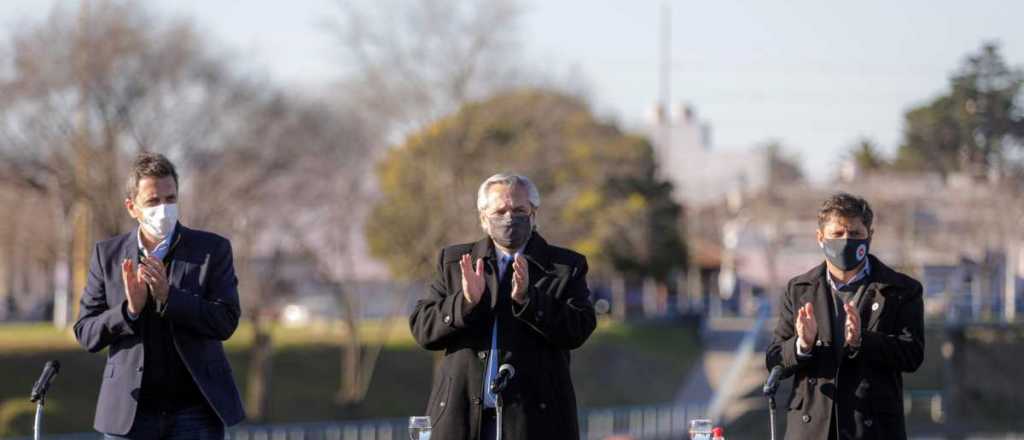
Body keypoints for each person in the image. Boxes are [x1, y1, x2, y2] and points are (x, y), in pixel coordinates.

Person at [410, 173, 597, 440]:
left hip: (537, 423)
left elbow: (579, 329)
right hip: (462, 420)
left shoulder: (565, 267)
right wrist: (465, 303)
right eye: (500, 210)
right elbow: (423, 330)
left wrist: (528, 300)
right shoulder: (454, 263)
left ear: (533, 214)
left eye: (519, 210)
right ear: (484, 218)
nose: (509, 217)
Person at [74, 152, 245, 439]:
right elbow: (86, 332)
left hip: (196, 411)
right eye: (153, 201)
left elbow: (226, 321)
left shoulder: (211, 250)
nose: (164, 209)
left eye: (171, 199)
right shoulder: (108, 255)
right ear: (132, 207)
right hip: (130, 413)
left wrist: (169, 297)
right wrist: (129, 310)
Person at [766, 192, 924, 439]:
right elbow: (774, 359)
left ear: (869, 236)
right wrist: (802, 345)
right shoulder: (798, 290)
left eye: (855, 234)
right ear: (820, 238)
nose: (846, 241)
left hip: (873, 428)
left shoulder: (901, 290)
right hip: (812, 428)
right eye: (837, 234)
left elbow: (912, 354)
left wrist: (863, 340)